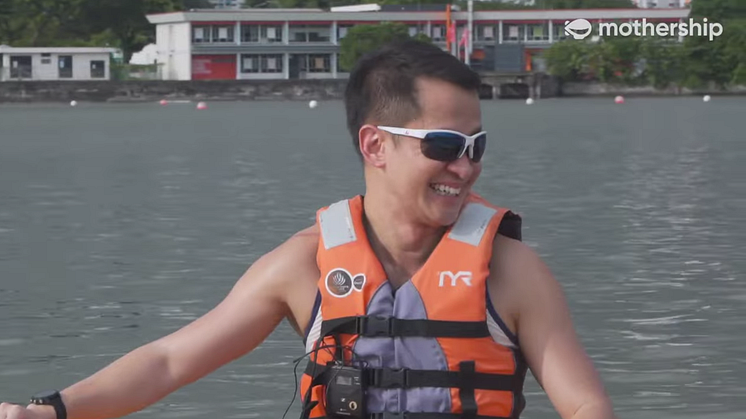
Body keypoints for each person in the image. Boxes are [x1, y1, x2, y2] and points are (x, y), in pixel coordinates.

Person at [0, 40, 616, 419]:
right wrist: (52, 411)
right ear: (375, 144)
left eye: (476, 144)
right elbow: (167, 362)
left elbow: (586, 404)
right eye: (446, 144)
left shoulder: (513, 273)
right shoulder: (302, 265)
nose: (467, 165)